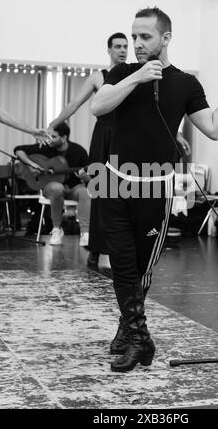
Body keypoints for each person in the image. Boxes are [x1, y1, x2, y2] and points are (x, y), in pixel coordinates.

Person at [91, 7, 218, 372]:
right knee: (122, 266)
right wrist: (137, 77)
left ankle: (129, 330)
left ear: (166, 38)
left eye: (145, 37)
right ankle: (140, 337)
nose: (138, 44)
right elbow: (99, 106)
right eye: (134, 37)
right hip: (113, 180)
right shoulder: (123, 72)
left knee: (141, 269)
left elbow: (214, 128)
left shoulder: (185, 84)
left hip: (154, 186)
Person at [48, 33, 129, 267]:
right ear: (109, 50)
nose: (122, 50)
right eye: (117, 46)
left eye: (125, 46)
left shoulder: (134, 75)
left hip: (124, 137)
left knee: (121, 194)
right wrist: (52, 125)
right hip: (103, 136)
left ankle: (117, 249)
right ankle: (96, 249)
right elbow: (74, 104)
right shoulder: (98, 77)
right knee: (100, 193)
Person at [14, 122, 90, 246]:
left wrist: (86, 177)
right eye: (49, 136)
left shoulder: (78, 151)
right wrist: (31, 164)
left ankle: (85, 233)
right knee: (57, 187)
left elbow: (89, 176)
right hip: (51, 188)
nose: (50, 139)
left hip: (73, 187)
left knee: (84, 191)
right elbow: (18, 150)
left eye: (53, 137)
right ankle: (56, 230)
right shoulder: (45, 147)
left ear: (64, 138)